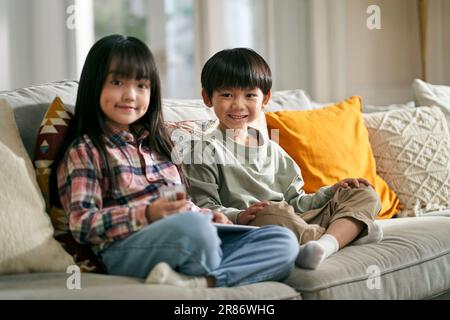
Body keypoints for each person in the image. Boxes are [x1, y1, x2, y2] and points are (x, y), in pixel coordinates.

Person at [49, 35, 298, 288]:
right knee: (195, 231)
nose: (130, 95)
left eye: (142, 85)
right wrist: (147, 213)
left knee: (283, 241)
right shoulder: (86, 150)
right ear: (94, 85)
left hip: (190, 234)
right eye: (117, 82)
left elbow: (185, 205)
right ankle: (214, 267)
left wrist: (212, 216)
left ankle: (201, 282)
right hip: (129, 246)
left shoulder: (159, 146)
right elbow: (82, 224)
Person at [182, 48, 383, 270]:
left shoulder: (274, 150)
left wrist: (332, 191)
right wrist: (240, 215)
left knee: (363, 192)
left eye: (250, 95)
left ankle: (326, 243)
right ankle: (346, 233)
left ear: (265, 98)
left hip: (294, 218)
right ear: (207, 98)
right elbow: (203, 207)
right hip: (255, 225)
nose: (238, 105)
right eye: (227, 95)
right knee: (273, 214)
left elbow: (297, 202)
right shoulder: (201, 149)